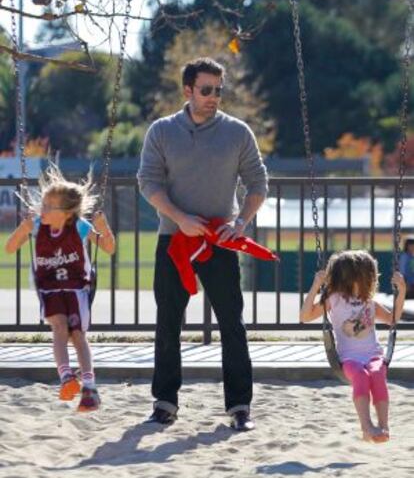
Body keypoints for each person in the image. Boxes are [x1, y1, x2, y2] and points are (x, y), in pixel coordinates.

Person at [137, 57, 268, 431]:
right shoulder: (161, 131)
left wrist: (240, 223)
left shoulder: (238, 132)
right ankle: (164, 403)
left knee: (233, 323)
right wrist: (180, 218)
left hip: (221, 242)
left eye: (218, 90)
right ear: (188, 91)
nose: (214, 97)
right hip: (173, 239)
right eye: (206, 90)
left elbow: (258, 184)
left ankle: (239, 407)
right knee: (168, 322)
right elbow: (148, 183)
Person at [5, 164, 115, 411]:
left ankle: (89, 386)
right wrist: (21, 230)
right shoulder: (35, 226)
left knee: (77, 336)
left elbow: (109, 248)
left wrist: (104, 227)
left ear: (66, 213)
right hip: (50, 289)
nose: (39, 209)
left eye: (46, 206)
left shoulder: (79, 227)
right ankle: (66, 376)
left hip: (77, 289)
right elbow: (10, 248)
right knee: (59, 327)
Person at [300, 250, 406, 443]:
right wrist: (316, 285)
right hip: (348, 359)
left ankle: (383, 426)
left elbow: (393, 320)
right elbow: (305, 316)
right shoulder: (334, 299)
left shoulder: (369, 302)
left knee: (377, 374)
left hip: (373, 355)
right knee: (361, 376)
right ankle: (367, 427)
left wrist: (402, 291)